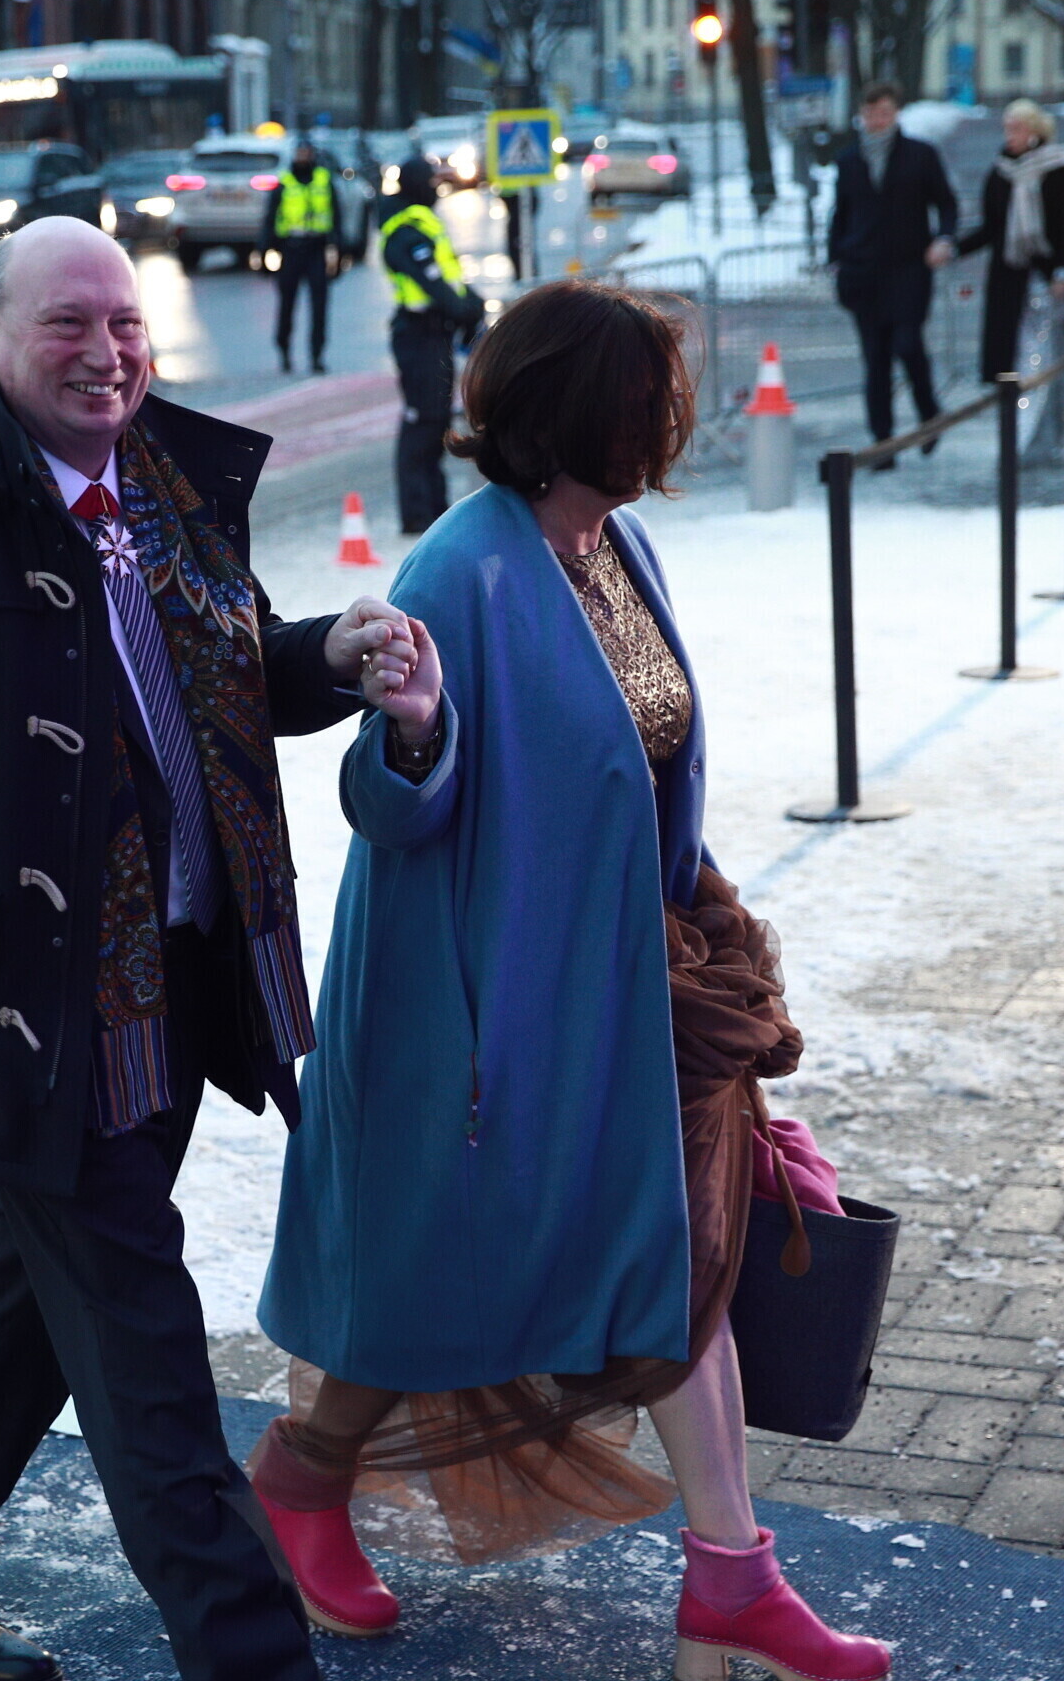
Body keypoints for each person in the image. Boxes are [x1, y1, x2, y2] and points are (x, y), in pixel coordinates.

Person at [0, 215, 421, 1681]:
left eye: (124, 322)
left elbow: (226, 671)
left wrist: (327, 656)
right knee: (147, 1362)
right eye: (66, 323)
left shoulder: (165, 489)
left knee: (31, 1293)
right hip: (28, 1019)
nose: (105, 352)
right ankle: (254, 1658)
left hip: (178, 986)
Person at [254, 279, 890, 1681]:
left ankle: (732, 1581)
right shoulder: (460, 570)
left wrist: (699, 917)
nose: (672, 423)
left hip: (623, 980)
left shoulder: (615, 544)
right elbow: (392, 807)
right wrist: (412, 729)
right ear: (573, 413)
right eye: (649, 400)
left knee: (670, 1267)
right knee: (435, 1278)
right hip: (479, 1002)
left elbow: (644, 760)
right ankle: (303, 1477)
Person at [827, 83, 958, 463]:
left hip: (909, 268)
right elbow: (841, 214)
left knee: (907, 344)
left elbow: (946, 204)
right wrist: (835, 257)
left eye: (884, 112)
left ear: (896, 113)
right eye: (870, 113)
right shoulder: (849, 159)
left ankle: (929, 416)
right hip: (863, 272)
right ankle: (883, 443)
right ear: (861, 115)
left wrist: (944, 239)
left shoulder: (920, 154)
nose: (877, 120)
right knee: (876, 359)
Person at [955, 98, 1064, 386]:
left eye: (1017, 128)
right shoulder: (1000, 172)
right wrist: (955, 248)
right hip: (1010, 272)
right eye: (1007, 128)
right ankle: (1013, 401)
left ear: (1034, 130)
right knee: (1011, 350)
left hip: (1050, 270)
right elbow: (991, 227)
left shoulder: (1059, 166)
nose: (1010, 135)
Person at [379, 156, 485, 532]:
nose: (436, 188)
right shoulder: (405, 231)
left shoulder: (424, 223)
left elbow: (449, 280)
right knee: (422, 420)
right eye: (430, 181)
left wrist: (472, 304)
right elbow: (434, 284)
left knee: (436, 420)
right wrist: (463, 309)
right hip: (417, 334)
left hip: (435, 334)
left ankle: (435, 510)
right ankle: (416, 514)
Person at [264, 139, 337, 374]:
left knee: (319, 307)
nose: (302, 157)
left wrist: (339, 249)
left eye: (306, 152)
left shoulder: (324, 180)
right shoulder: (284, 182)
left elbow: (336, 216)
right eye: (299, 153)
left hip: (317, 249)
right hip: (291, 249)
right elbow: (270, 218)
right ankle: (284, 352)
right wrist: (265, 250)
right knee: (287, 305)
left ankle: (317, 356)